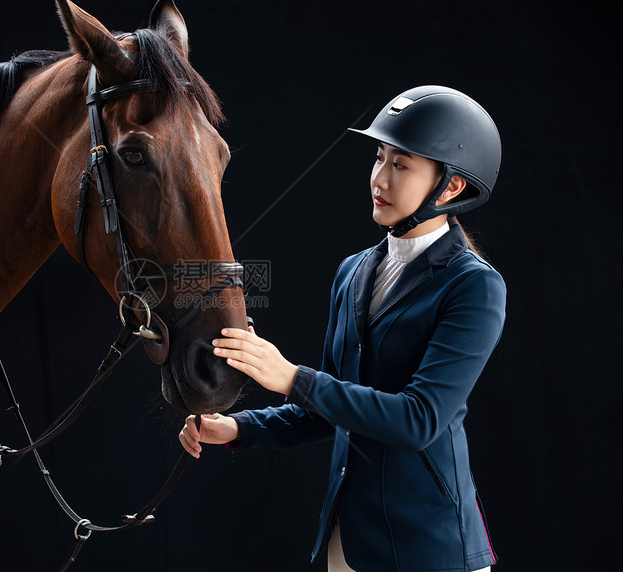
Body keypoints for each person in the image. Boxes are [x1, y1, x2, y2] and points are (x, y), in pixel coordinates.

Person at [179, 85, 505, 572]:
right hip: (347, 542)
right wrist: (237, 428)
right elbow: (327, 410)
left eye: (401, 165)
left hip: (429, 549)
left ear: (451, 187)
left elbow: (418, 421)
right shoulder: (352, 272)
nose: (379, 177)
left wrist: (292, 378)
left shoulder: (475, 288)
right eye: (379, 157)